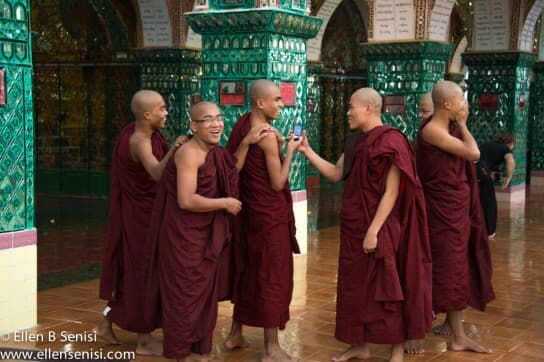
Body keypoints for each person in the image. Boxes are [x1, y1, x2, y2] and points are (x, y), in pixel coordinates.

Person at [298, 88, 432, 362]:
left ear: (369, 108)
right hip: (353, 227)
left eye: (351, 107)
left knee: (387, 286)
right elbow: (336, 174)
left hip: (381, 226)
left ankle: (396, 350)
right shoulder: (355, 142)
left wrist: (373, 230)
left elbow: (391, 192)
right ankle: (359, 344)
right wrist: (307, 151)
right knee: (354, 286)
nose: (347, 112)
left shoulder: (392, 142)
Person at [144, 102, 270, 362]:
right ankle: (180, 353)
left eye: (219, 118)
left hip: (204, 236)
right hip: (184, 238)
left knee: (203, 297)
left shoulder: (217, 152)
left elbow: (230, 171)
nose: (216, 124)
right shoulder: (189, 153)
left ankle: (199, 351)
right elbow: (186, 200)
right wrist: (224, 203)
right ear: (193, 126)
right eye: (208, 120)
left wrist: (245, 142)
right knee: (184, 295)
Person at [96, 90, 185, 355]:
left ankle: (104, 324)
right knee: (140, 274)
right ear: (147, 115)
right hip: (140, 218)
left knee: (133, 274)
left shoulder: (143, 132)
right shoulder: (138, 141)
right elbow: (157, 173)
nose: (166, 112)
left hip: (145, 212)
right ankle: (144, 339)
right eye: (162, 108)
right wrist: (177, 150)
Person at [224, 79, 302, 361]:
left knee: (249, 269)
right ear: (260, 102)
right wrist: (291, 151)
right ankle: (271, 348)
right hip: (269, 217)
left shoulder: (243, 124)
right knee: (272, 275)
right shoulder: (266, 136)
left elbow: (233, 167)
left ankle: (235, 333)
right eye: (277, 100)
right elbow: (278, 181)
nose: (282, 104)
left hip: (248, 213)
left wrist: (279, 141)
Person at [416, 80, 495, 353]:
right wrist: (462, 124)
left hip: (455, 209)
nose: (465, 104)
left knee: (456, 268)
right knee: (447, 269)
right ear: (447, 104)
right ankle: (445, 334)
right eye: (461, 99)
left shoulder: (443, 128)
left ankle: (455, 331)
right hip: (442, 212)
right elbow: (473, 153)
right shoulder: (434, 131)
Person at [477, 132, 516, 238]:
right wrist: (509, 176)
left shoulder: (486, 145)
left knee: (477, 202)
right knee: (490, 204)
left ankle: (475, 229)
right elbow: (510, 161)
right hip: (483, 174)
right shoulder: (505, 148)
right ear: (511, 143)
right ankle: (490, 232)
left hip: (472, 174)